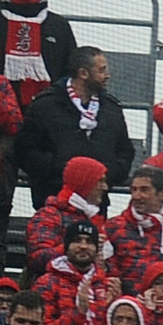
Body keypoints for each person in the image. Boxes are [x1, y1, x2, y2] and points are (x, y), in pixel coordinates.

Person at [16, 46, 133, 217]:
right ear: (83, 73)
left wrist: (110, 173)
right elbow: (25, 150)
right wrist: (60, 170)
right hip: (52, 200)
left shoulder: (111, 108)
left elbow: (125, 150)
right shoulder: (45, 106)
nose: (107, 76)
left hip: (98, 203)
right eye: (101, 70)